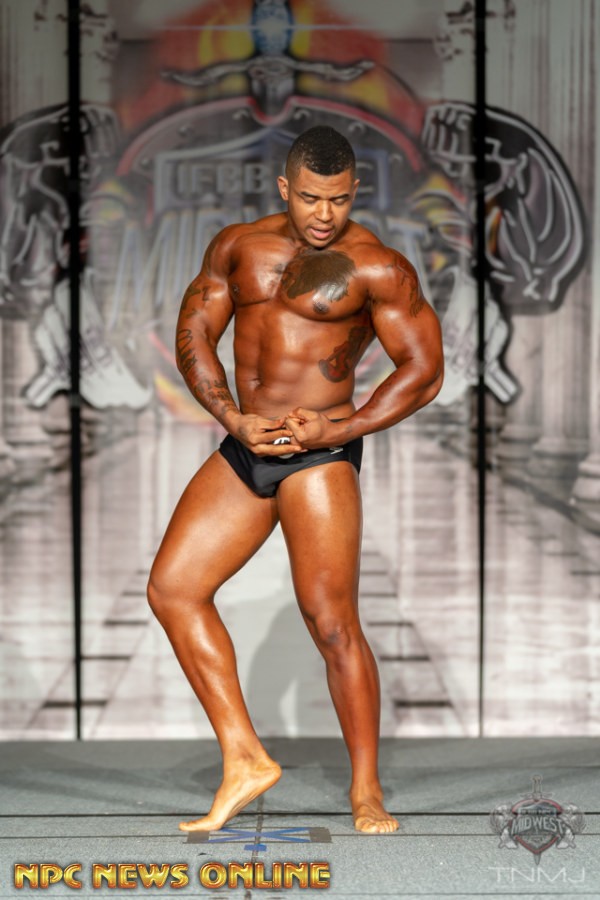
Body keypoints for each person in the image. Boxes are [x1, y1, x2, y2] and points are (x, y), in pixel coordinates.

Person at [147, 125, 444, 835]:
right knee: (172, 590)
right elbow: (195, 334)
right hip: (248, 443)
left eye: (338, 199)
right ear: (285, 188)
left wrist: (341, 429)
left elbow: (425, 371)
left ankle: (366, 789)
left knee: (332, 624)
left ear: (355, 192)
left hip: (319, 452)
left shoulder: (377, 267)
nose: (324, 214)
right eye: (310, 198)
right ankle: (244, 756)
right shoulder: (238, 246)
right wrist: (232, 417)